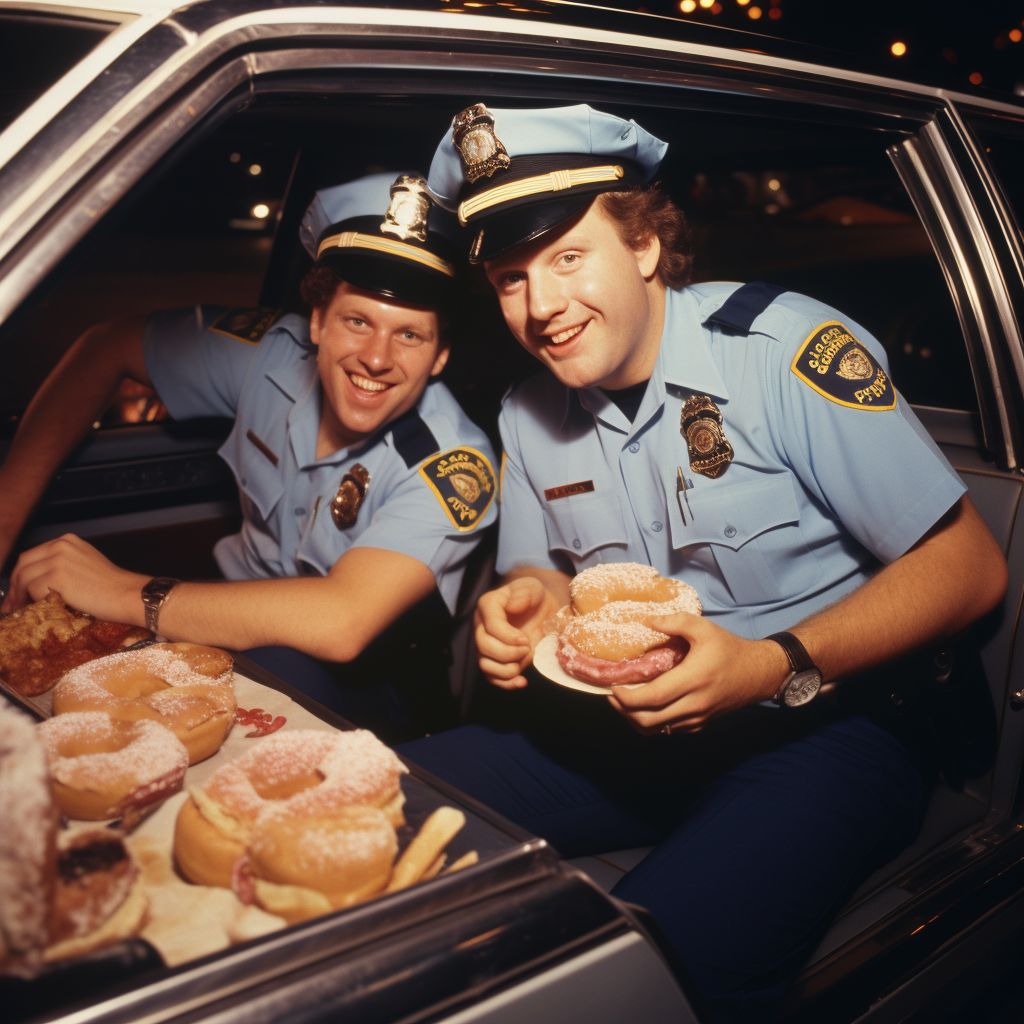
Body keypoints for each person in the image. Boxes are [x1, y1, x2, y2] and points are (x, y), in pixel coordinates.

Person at [395, 104, 1009, 1021]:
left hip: (831, 726)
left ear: (643, 243)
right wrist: (520, 605)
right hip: (632, 732)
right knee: (376, 801)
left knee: (651, 972)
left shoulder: (780, 350)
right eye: (511, 278)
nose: (543, 306)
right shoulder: (527, 410)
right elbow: (545, 578)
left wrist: (774, 663)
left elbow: (971, 569)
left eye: (569, 257)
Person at [0, 172, 497, 731]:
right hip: (221, 621)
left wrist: (120, 591)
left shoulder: (452, 463)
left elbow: (342, 620)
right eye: (357, 321)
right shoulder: (270, 355)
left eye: (409, 335)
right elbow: (106, 346)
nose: (377, 358)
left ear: (439, 355)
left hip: (370, 686)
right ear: (316, 322)